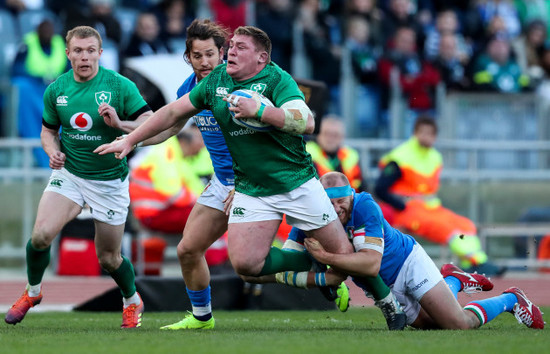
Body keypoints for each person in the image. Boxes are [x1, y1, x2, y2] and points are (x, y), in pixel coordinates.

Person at [95, 24, 402, 329]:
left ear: (256, 57)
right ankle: (203, 317)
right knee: (210, 255)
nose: (208, 60)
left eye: (215, 53)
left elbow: (306, 121)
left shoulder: (273, 79)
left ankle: (385, 301)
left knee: (342, 254)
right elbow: (170, 120)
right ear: (188, 58)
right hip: (240, 183)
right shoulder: (204, 86)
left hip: (288, 180)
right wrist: (128, 135)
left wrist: (260, 111)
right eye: (197, 55)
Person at [4, 26, 153, 329]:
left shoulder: (119, 85)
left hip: (109, 181)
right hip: (70, 175)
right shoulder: (56, 89)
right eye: (78, 51)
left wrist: (120, 123)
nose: (84, 57)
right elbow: (47, 131)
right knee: (41, 236)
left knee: (109, 258)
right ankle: (33, 292)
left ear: (100, 53)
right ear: (68, 53)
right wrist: (51, 151)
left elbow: (148, 122)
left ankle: (130, 299)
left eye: (90, 51)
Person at [304, 171, 545, 330]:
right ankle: (453, 281)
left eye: (340, 202)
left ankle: (511, 298)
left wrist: (324, 257)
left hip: (408, 264)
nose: (335, 210)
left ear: (351, 195)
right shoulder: (319, 214)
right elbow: (297, 245)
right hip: (385, 287)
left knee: (457, 324)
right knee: (433, 325)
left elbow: (371, 264)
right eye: (330, 203)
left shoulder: (365, 205)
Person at [374, 116, 501, 275]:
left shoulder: (435, 157)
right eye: (423, 132)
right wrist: (402, 206)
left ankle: (470, 263)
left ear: (435, 136)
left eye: (430, 133)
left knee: (465, 225)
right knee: (448, 230)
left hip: (432, 207)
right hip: (409, 210)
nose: (426, 137)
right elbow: (380, 189)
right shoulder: (400, 156)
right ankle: (478, 262)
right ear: (415, 133)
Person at [129, 125, 212, 234]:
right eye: (194, 149)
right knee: (209, 218)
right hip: (153, 213)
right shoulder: (164, 152)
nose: (196, 154)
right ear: (184, 142)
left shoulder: (173, 152)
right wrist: (199, 202)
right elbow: (174, 193)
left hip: (162, 210)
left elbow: (191, 186)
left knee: (210, 215)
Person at [11, 19, 68, 167]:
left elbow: (70, 69)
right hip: (34, 89)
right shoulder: (28, 44)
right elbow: (16, 69)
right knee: (21, 86)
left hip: (54, 90)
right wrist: (38, 78)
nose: (47, 33)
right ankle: (41, 154)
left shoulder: (61, 44)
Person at [306, 115, 366, 192]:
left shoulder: (351, 155)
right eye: (326, 134)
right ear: (318, 134)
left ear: (342, 137)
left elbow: (362, 187)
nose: (330, 139)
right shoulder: (307, 153)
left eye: (335, 135)